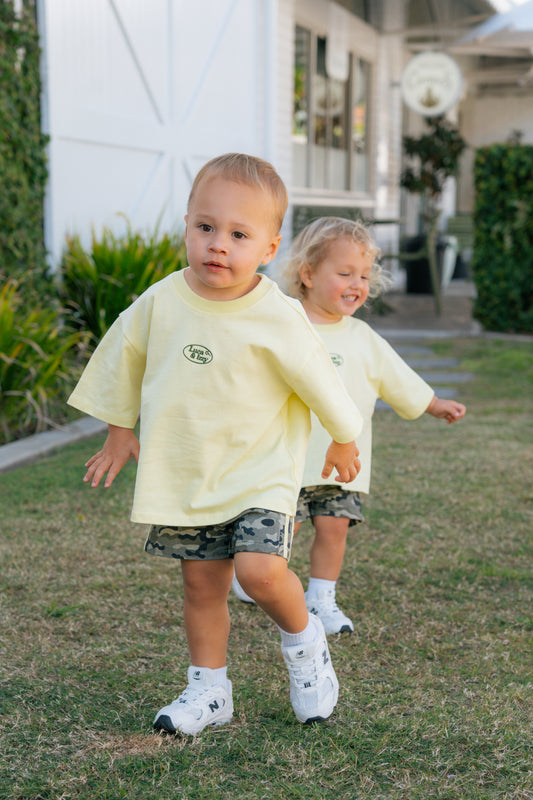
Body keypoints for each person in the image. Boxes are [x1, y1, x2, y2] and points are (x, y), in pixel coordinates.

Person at [67, 157, 364, 736]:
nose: (218, 245)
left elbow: (320, 378)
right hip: (189, 472)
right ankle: (209, 691)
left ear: (270, 247)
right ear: (186, 226)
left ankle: (306, 648)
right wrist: (119, 429)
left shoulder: (278, 316)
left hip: (262, 472)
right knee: (201, 585)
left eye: (238, 234)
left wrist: (344, 436)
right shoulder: (161, 301)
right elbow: (124, 358)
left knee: (259, 572)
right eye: (205, 228)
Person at [233, 216, 466, 634]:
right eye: (344, 273)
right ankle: (255, 575)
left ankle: (321, 598)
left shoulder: (363, 337)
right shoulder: (284, 323)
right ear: (307, 274)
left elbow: (400, 378)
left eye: (364, 274)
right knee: (287, 527)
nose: (357, 283)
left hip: (344, 462)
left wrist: (434, 404)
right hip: (287, 460)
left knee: (334, 528)